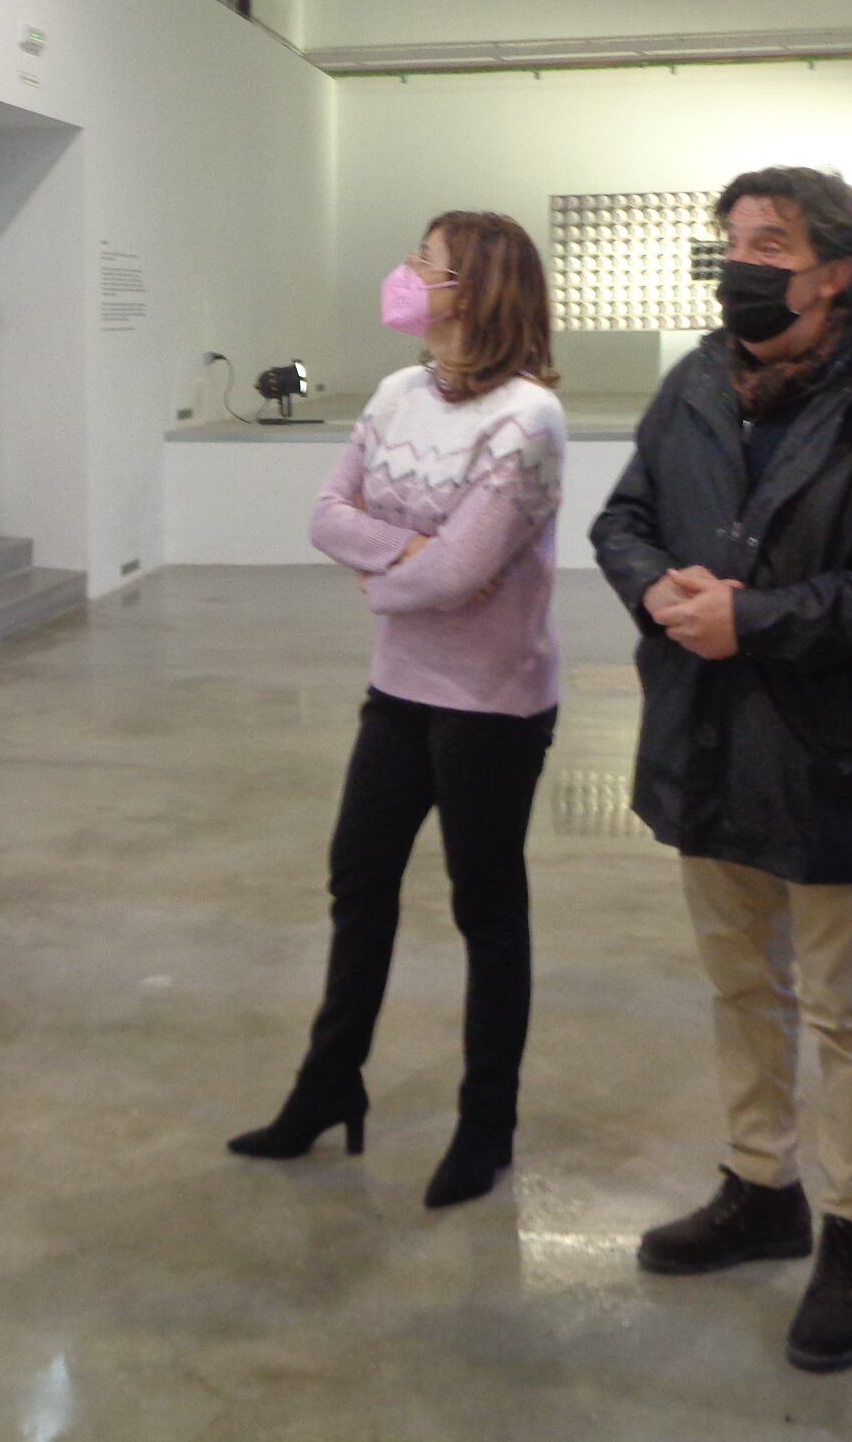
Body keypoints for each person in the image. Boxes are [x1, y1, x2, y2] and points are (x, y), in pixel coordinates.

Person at [592, 166, 852, 1372]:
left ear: (837, 271)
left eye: (769, 243)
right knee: (739, 986)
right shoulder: (699, 376)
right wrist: (657, 589)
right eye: (731, 242)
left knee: (846, 1011)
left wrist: (754, 619)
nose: (740, 262)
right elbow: (624, 518)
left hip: (819, 747)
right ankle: (762, 1187)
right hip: (701, 735)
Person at [230, 211, 567, 1210]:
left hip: (493, 704)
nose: (408, 274)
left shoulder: (526, 418)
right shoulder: (393, 393)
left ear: (475, 290)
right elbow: (324, 515)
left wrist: (388, 574)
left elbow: (468, 569)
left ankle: (486, 1124)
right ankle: (328, 1087)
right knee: (358, 885)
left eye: (427, 262)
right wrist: (411, 566)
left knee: (486, 910)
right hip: (400, 689)